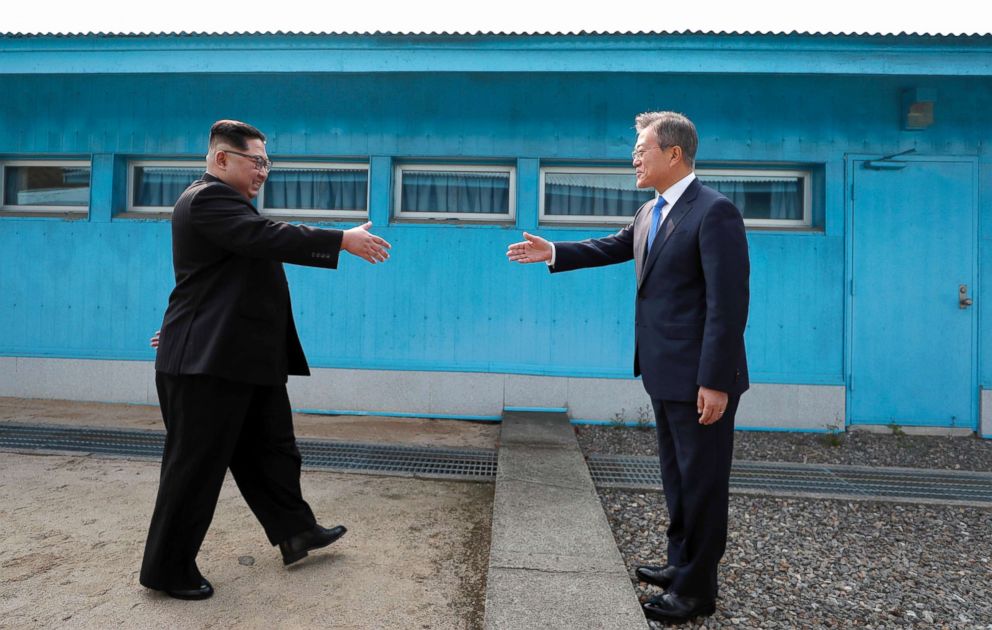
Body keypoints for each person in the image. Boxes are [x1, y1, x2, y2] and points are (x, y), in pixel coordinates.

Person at [507, 111, 749, 624]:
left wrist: (714, 380)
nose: (634, 157)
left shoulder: (715, 212)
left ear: (675, 154)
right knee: (677, 479)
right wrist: (554, 250)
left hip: (701, 378)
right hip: (663, 371)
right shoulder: (649, 212)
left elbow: (728, 305)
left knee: (703, 483)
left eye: (642, 148)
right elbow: (613, 246)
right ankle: (679, 564)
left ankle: (696, 591)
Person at [140, 119, 391, 601]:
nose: (263, 172)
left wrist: (183, 326)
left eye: (267, 163)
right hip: (207, 367)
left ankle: (296, 532)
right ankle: (167, 569)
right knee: (194, 469)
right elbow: (267, 237)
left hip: (238, 357)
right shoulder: (208, 198)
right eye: (255, 161)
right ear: (221, 160)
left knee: (273, 451)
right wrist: (339, 239)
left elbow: (216, 282)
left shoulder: (231, 208)